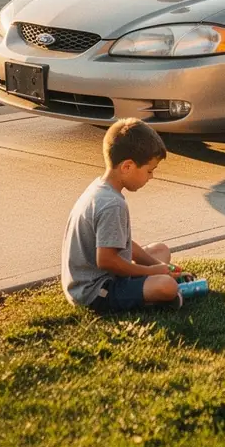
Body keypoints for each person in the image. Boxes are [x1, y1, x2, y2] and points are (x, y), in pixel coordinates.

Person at [61, 118, 195, 312]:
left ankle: (153, 281)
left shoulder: (101, 188)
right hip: (95, 291)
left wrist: (160, 265)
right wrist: (151, 272)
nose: (151, 177)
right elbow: (106, 261)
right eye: (149, 171)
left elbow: (123, 243)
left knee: (160, 250)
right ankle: (158, 298)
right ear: (127, 167)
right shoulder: (112, 204)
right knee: (167, 286)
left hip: (90, 281)